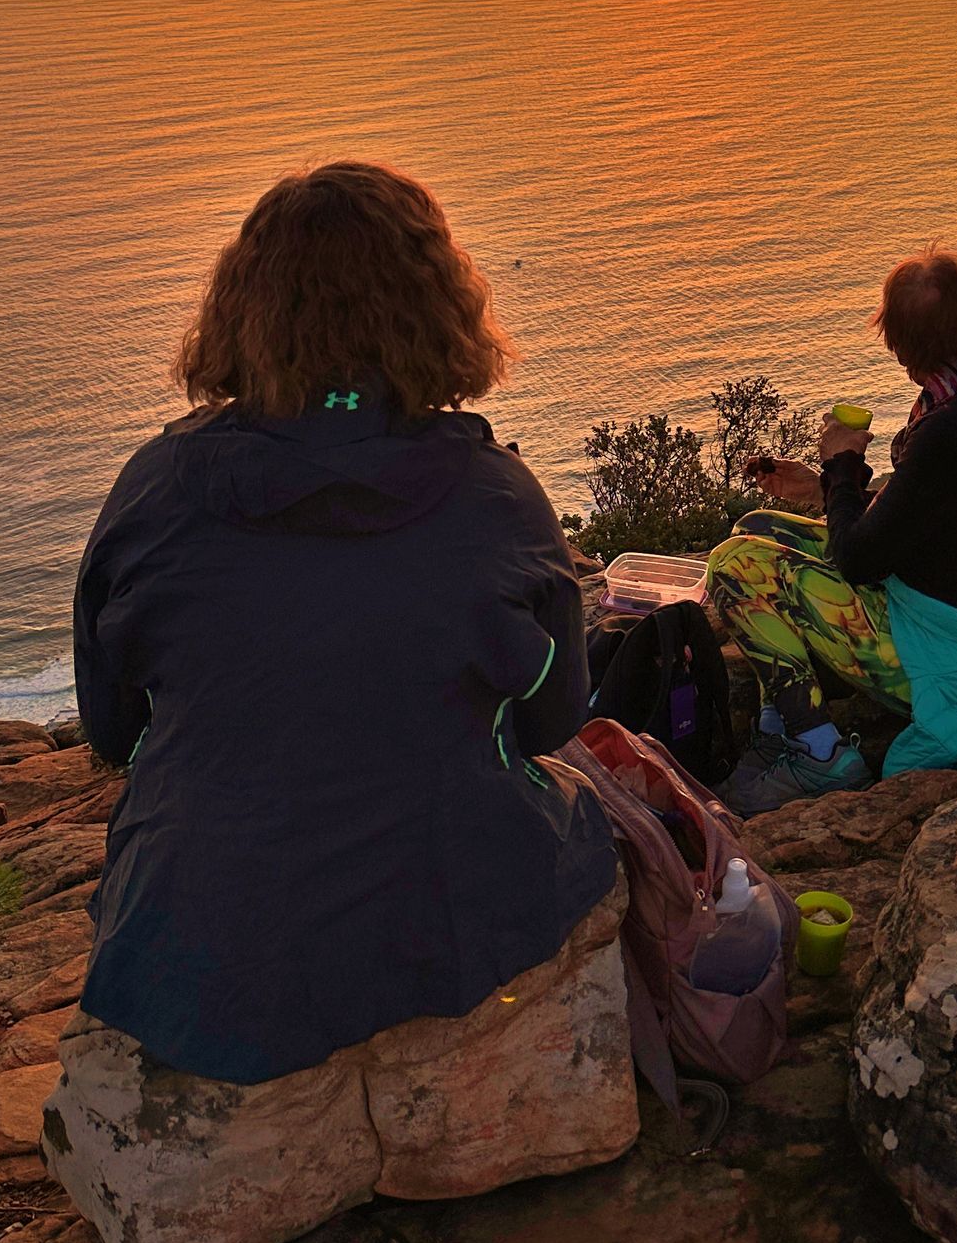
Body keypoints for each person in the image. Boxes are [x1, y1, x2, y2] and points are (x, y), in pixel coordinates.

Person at [71, 162, 615, 1083]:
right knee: (607, 818)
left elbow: (112, 731)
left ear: (242, 309)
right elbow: (554, 719)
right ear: (437, 306)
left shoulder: (154, 490)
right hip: (447, 916)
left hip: (198, 950)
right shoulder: (496, 500)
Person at [708, 247, 957, 812]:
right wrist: (818, 489)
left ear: (904, 346)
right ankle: (781, 719)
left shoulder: (951, 430)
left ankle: (818, 753)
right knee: (757, 525)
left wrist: (842, 465)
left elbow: (858, 559)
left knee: (735, 566)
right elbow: (931, 511)